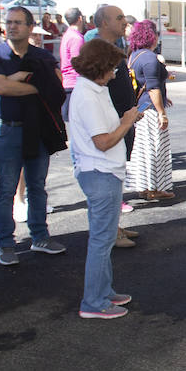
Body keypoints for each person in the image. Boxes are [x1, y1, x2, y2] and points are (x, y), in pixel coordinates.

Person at [0, 4, 69, 266]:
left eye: (18, 22)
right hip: (7, 128)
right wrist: (36, 86)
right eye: (9, 22)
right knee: (6, 188)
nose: (12, 26)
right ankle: (5, 243)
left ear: (30, 27)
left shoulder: (42, 56)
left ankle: (40, 236)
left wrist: (21, 80)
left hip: (38, 130)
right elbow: (1, 87)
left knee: (37, 187)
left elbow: (56, 84)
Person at [68, 39, 143, 319]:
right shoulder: (88, 95)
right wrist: (126, 122)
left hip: (103, 171)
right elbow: (102, 141)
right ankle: (94, 301)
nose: (114, 74)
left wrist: (126, 120)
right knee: (101, 240)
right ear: (100, 68)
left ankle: (103, 292)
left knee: (105, 238)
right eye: (111, 68)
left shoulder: (92, 90)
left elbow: (104, 134)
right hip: (100, 172)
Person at [126, 20, 174, 200]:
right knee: (156, 149)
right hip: (151, 109)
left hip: (141, 108)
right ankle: (155, 188)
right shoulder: (150, 58)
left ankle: (145, 187)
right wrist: (162, 112)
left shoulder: (134, 55)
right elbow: (153, 88)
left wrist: (163, 97)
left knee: (144, 151)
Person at [59, 7, 88, 121]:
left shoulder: (68, 35)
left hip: (69, 82)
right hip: (74, 83)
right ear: (80, 18)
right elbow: (78, 63)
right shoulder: (76, 38)